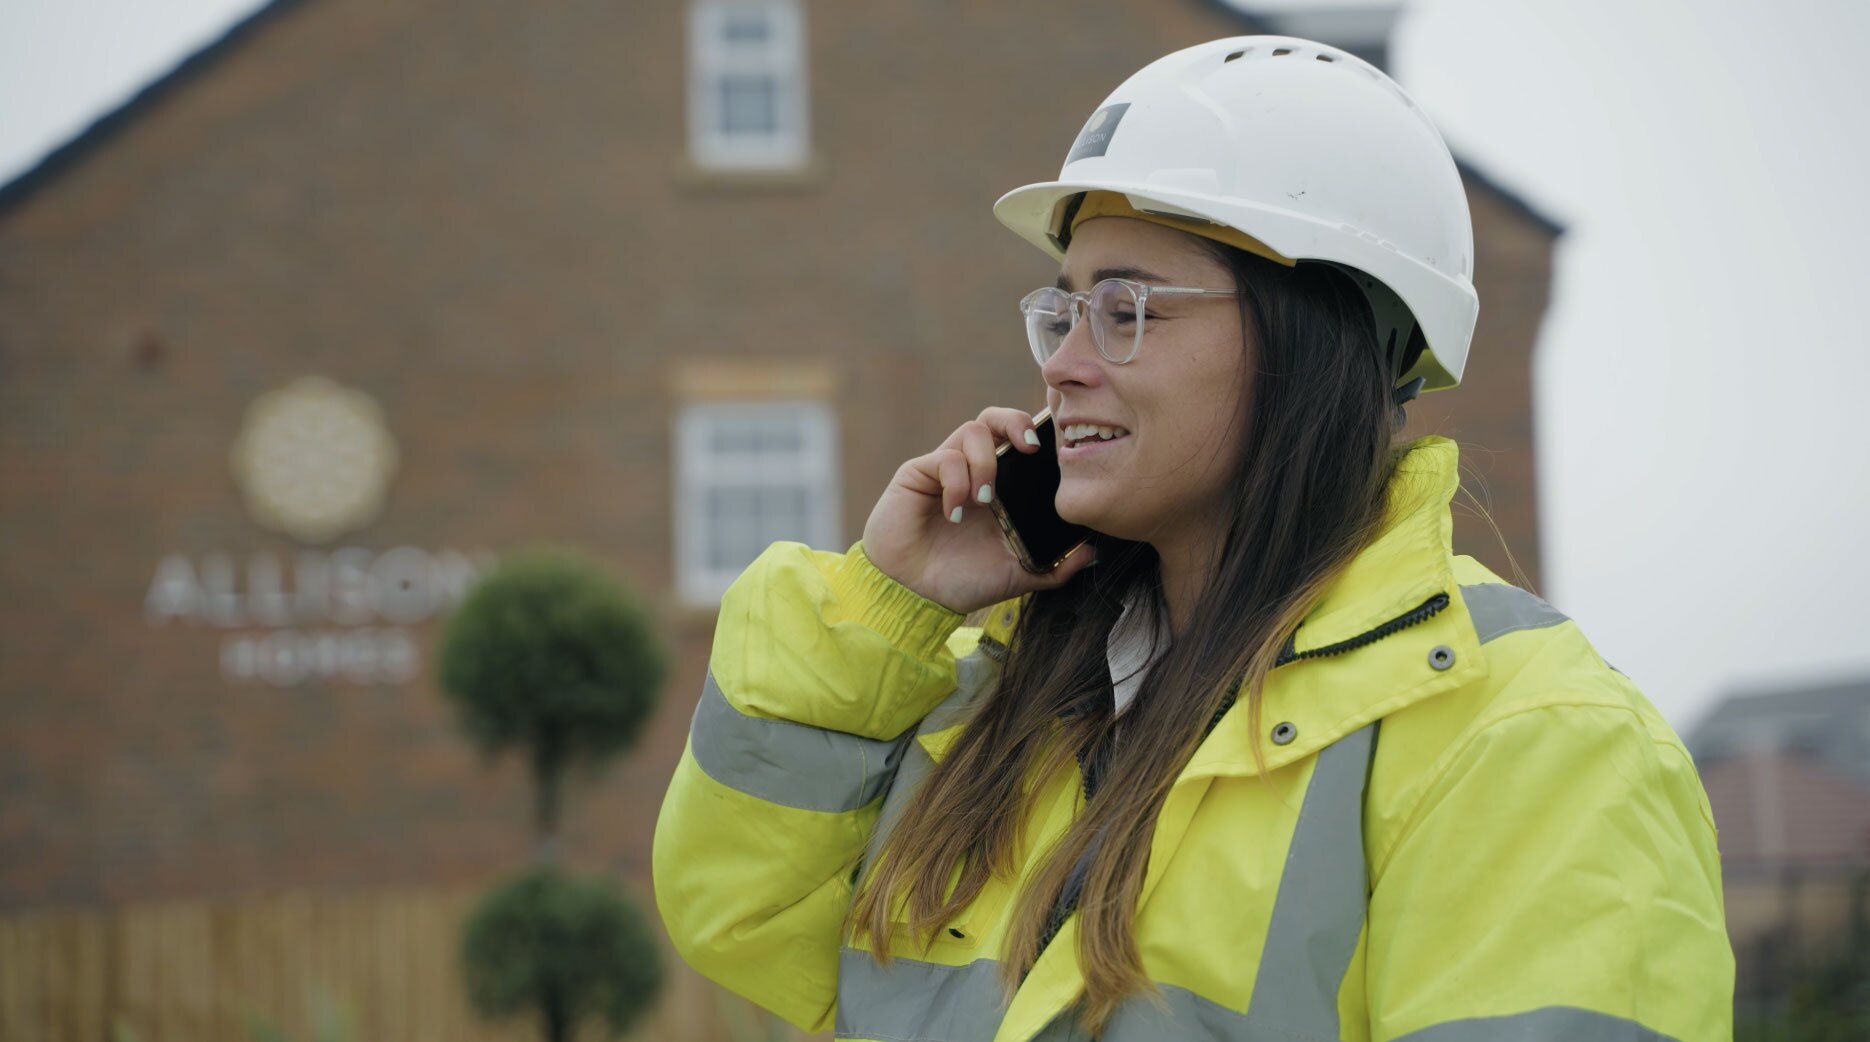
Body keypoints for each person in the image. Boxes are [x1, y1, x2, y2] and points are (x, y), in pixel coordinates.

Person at [653, 34, 1733, 1042]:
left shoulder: (1536, 739)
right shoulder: (1010, 698)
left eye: (1126, 310)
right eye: (1063, 310)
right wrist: (888, 610)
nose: (1063, 363)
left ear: (1309, 338)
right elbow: (745, 925)